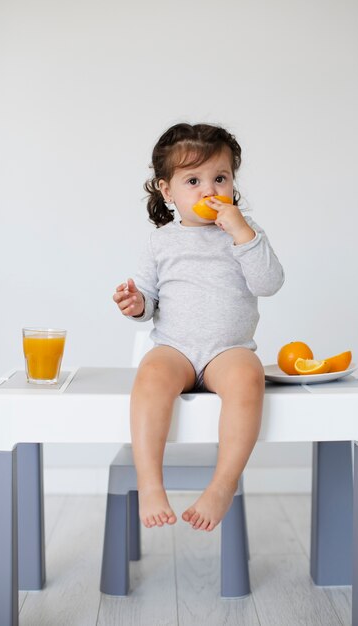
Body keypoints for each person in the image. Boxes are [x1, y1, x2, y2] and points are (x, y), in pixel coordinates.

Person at [113, 122, 284, 531]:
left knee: (248, 377)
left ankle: (223, 485)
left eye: (220, 178)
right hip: (177, 349)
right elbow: (150, 300)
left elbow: (269, 283)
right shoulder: (161, 242)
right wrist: (137, 304)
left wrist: (242, 233)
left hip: (228, 350)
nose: (210, 190)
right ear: (167, 191)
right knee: (151, 374)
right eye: (194, 180)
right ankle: (150, 483)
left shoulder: (247, 234)